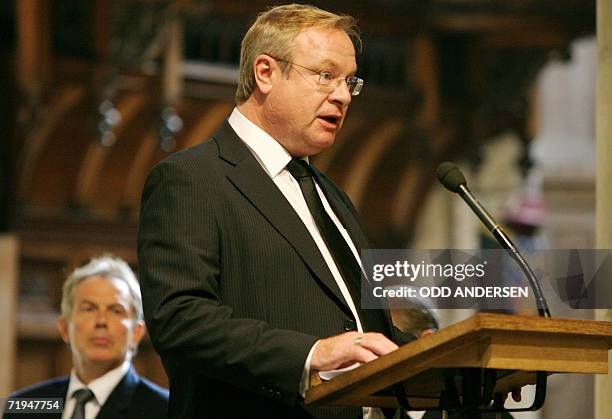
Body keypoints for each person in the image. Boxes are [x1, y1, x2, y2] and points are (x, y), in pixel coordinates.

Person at [138, 4, 404, 419]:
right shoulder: (192, 178)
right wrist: (311, 353)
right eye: (325, 75)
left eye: (350, 81)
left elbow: (365, 329)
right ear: (265, 72)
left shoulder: (331, 195)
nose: (342, 94)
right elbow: (179, 318)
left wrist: (459, 362)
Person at [3, 256, 168, 419]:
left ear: (137, 332)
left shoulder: (164, 410)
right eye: (89, 309)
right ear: (65, 327)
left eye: (116, 310)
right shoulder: (24, 405)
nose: (101, 321)